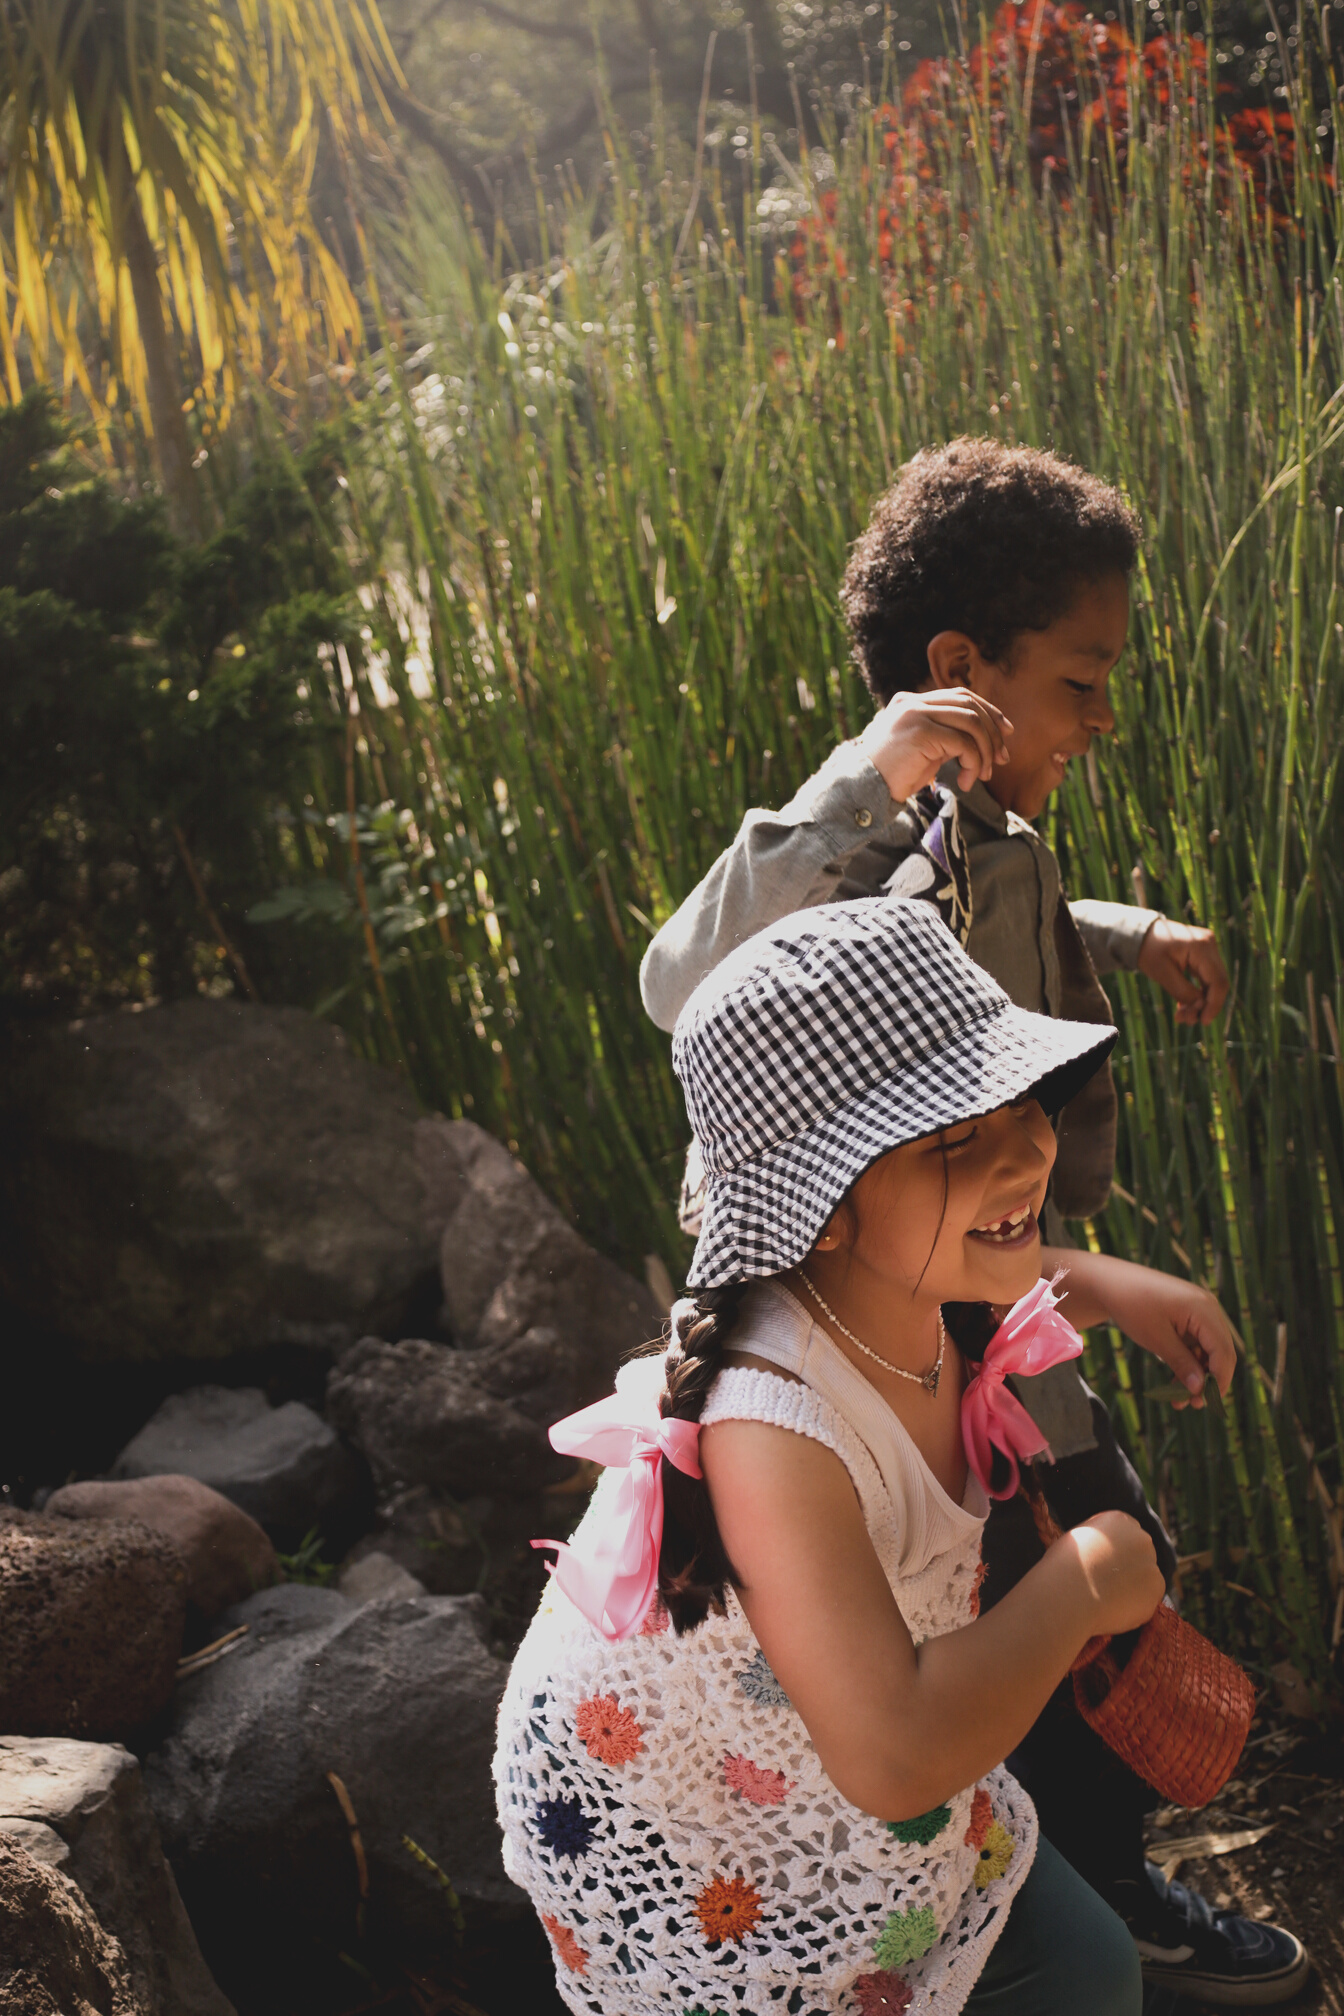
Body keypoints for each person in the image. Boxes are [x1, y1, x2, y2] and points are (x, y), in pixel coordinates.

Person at [637, 441, 1308, 2006]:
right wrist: (858, 776)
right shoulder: (852, 852)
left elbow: (1006, 926)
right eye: (1081, 681)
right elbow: (685, 981)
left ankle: (1079, 1887)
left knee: (1074, 1552)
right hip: (885, 1317)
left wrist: (1127, 936)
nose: (1101, 720)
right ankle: (1046, 1905)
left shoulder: (988, 837)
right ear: (961, 670)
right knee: (1018, 1592)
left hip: (992, 1282)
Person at [496, 897, 1167, 2016]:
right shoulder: (772, 1429)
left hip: (836, 1746)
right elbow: (895, 1757)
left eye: (1018, 1103)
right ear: (818, 1206)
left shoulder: (905, 1283)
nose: (1023, 1154)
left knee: (1089, 1970)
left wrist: (1124, 1289)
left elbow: (990, 1262)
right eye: (954, 1138)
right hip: (704, 1831)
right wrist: (1086, 1579)